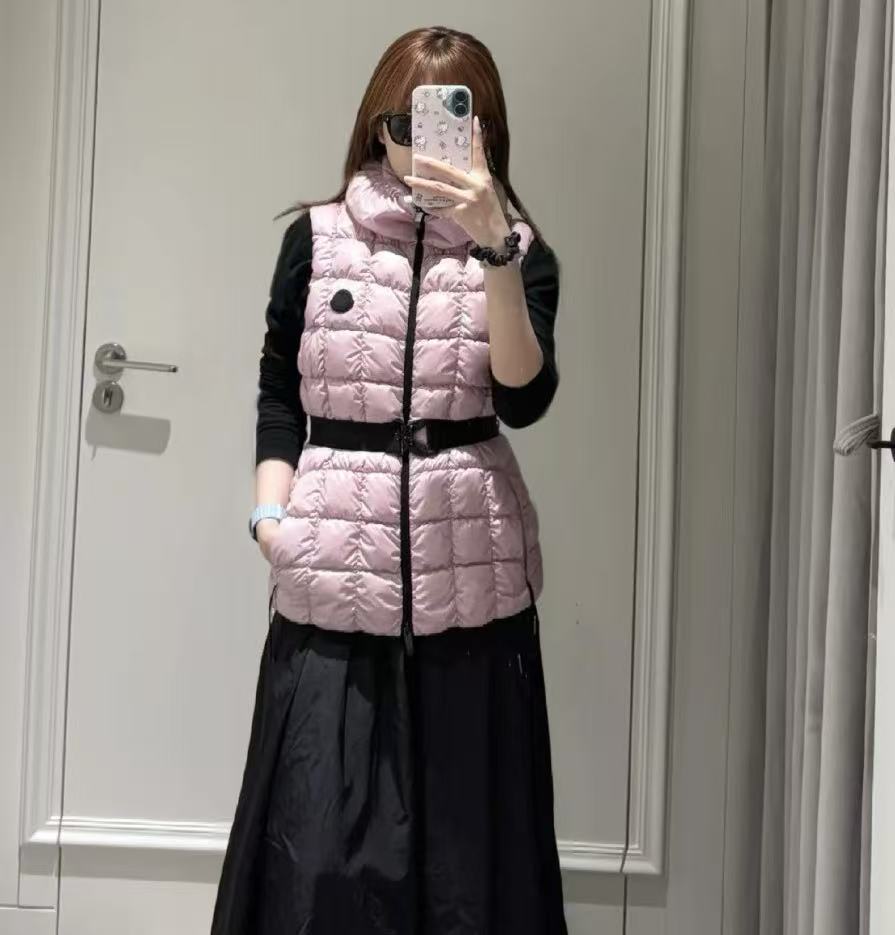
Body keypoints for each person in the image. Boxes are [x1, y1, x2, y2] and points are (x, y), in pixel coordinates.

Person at [210, 24, 567, 935]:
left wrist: (494, 249)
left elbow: (523, 398)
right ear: (376, 127)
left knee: (467, 876)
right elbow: (278, 389)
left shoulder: (520, 251)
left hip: (472, 599)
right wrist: (268, 518)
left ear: (484, 131)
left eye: (448, 120)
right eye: (400, 123)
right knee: (316, 867)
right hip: (331, 586)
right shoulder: (316, 238)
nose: (418, 144)